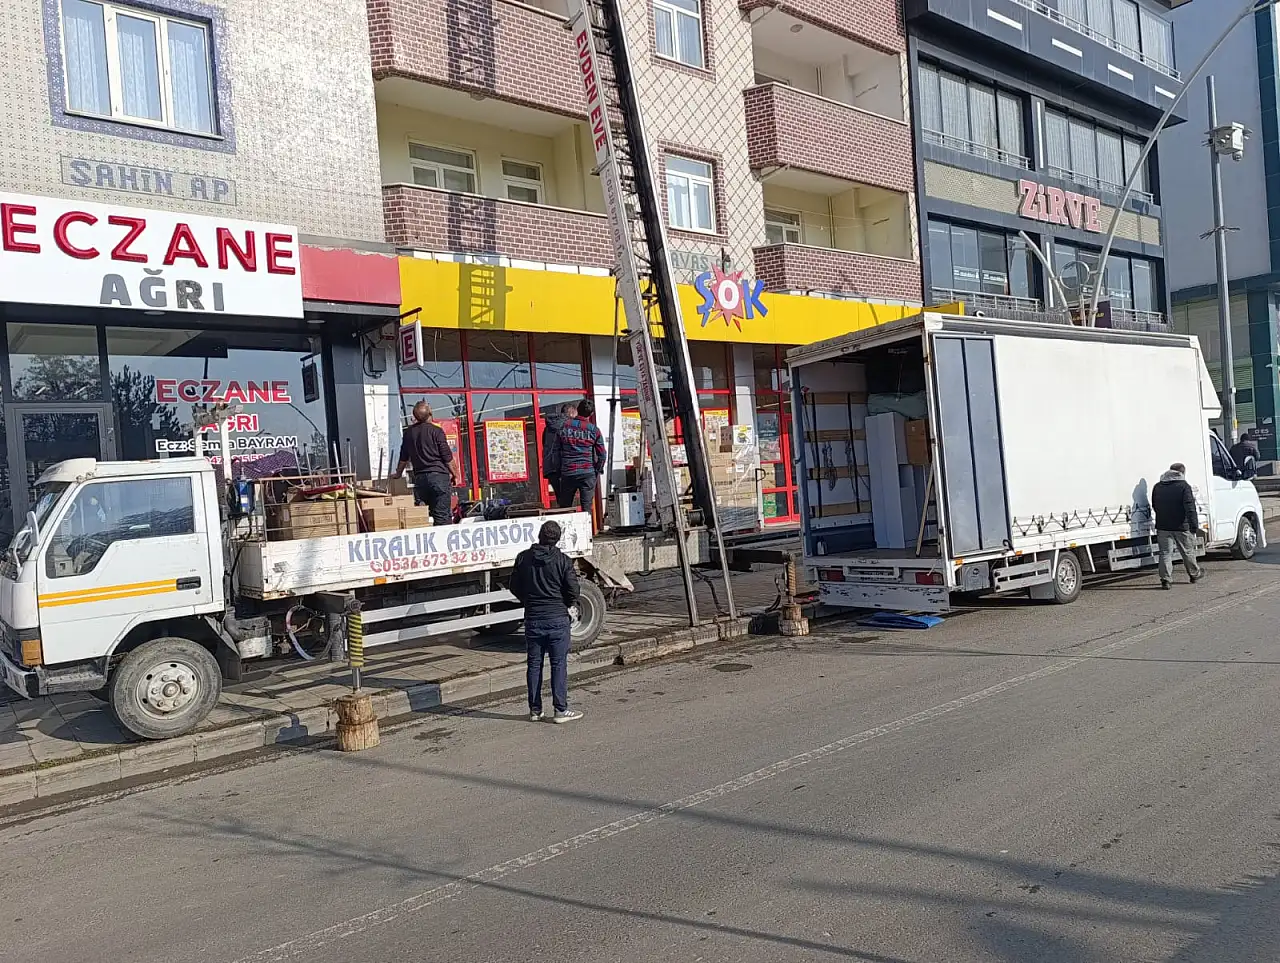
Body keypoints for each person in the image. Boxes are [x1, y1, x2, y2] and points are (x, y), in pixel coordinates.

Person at [509, 520, 583, 724]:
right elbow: (573, 590)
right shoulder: (563, 560)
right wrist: (569, 603)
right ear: (557, 539)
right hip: (557, 618)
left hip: (533, 618)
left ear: (539, 535)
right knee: (558, 664)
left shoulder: (523, 558)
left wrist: (528, 600)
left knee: (534, 664)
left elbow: (514, 586)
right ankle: (560, 710)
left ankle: (535, 710)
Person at [390, 402, 461, 527]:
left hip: (420, 480)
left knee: (421, 519)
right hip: (439, 478)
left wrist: (398, 474)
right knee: (442, 518)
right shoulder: (436, 431)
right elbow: (447, 457)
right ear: (430, 412)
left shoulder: (409, 433)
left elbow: (403, 457)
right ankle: (442, 543)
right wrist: (455, 475)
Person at [1151, 462, 1204, 590]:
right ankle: (1194, 574)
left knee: (1165, 553)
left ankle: (1166, 580)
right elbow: (1190, 508)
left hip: (1163, 525)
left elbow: (1155, 505)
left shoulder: (1158, 486)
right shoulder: (1184, 486)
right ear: (1182, 473)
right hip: (1181, 525)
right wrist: (1194, 526)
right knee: (1187, 551)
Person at [552, 397, 606, 513]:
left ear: (577, 410)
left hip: (568, 472)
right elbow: (602, 455)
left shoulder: (564, 426)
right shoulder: (594, 430)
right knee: (586, 509)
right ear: (591, 414)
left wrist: (559, 470)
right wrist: (596, 470)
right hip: (587, 472)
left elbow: (555, 450)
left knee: (565, 508)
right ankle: (587, 530)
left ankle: (565, 530)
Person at [542, 402, 577, 507]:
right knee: (568, 499)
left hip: (550, 467)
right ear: (571, 414)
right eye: (575, 417)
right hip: (563, 465)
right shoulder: (568, 426)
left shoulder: (547, 428)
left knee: (560, 498)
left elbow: (544, 444)